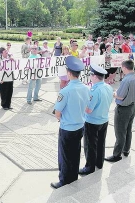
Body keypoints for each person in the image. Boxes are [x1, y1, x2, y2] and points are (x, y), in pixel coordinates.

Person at [50, 56, 90, 189]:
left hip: (67, 129)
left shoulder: (65, 91)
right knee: (75, 153)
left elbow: (57, 113)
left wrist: (61, 119)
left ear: (68, 73)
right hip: (80, 126)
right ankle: (73, 176)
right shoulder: (85, 88)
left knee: (64, 156)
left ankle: (64, 180)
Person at [105, 60, 135, 162]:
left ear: (125, 68)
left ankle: (117, 155)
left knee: (120, 132)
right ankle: (126, 150)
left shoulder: (126, 80)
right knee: (128, 130)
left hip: (123, 109)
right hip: (132, 107)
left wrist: (114, 93)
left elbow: (120, 96)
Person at [79, 64, 113, 175]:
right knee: (101, 143)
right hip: (104, 120)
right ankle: (99, 162)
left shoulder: (94, 90)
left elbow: (88, 110)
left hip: (92, 121)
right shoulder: (108, 87)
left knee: (90, 145)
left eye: (90, 75)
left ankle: (89, 167)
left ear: (94, 76)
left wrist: (81, 104)